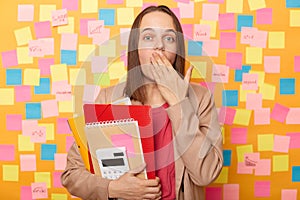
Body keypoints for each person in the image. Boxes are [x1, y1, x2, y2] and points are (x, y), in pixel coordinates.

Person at [61, 5, 223, 200]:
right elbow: (72, 174)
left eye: (169, 38)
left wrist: (179, 101)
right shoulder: (108, 99)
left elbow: (206, 174)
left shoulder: (201, 99)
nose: (159, 46)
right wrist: (113, 188)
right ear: (135, 48)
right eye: (148, 37)